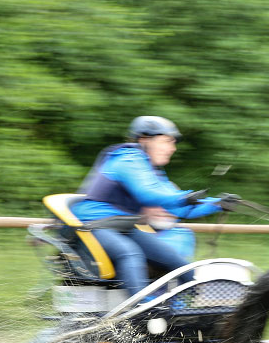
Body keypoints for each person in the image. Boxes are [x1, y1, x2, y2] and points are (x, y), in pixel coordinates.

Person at [73, 115, 237, 299]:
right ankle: (141, 313)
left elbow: (179, 208)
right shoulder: (127, 159)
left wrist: (217, 204)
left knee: (173, 259)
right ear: (144, 140)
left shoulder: (151, 171)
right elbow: (148, 193)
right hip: (95, 225)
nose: (172, 148)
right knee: (129, 253)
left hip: (122, 227)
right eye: (167, 141)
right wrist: (183, 197)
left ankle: (210, 304)